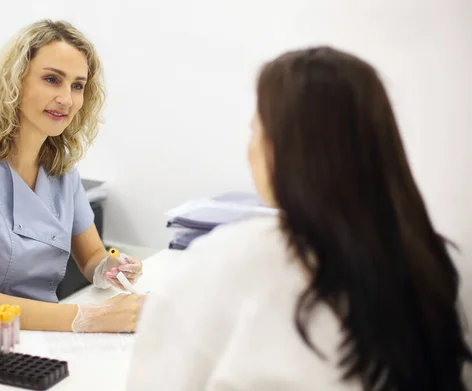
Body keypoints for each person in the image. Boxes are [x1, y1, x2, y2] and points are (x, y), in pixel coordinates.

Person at [126, 46, 472, 390]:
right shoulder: (430, 264)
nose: (249, 151)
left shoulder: (233, 262)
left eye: (254, 132)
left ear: (279, 150)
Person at [0, 19, 145, 391]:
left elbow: (92, 255)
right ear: (15, 81)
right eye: (52, 79)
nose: (67, 98)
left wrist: (111, 267)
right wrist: (89, 317)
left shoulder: (63, 172)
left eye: (77, 85)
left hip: (39, 348)